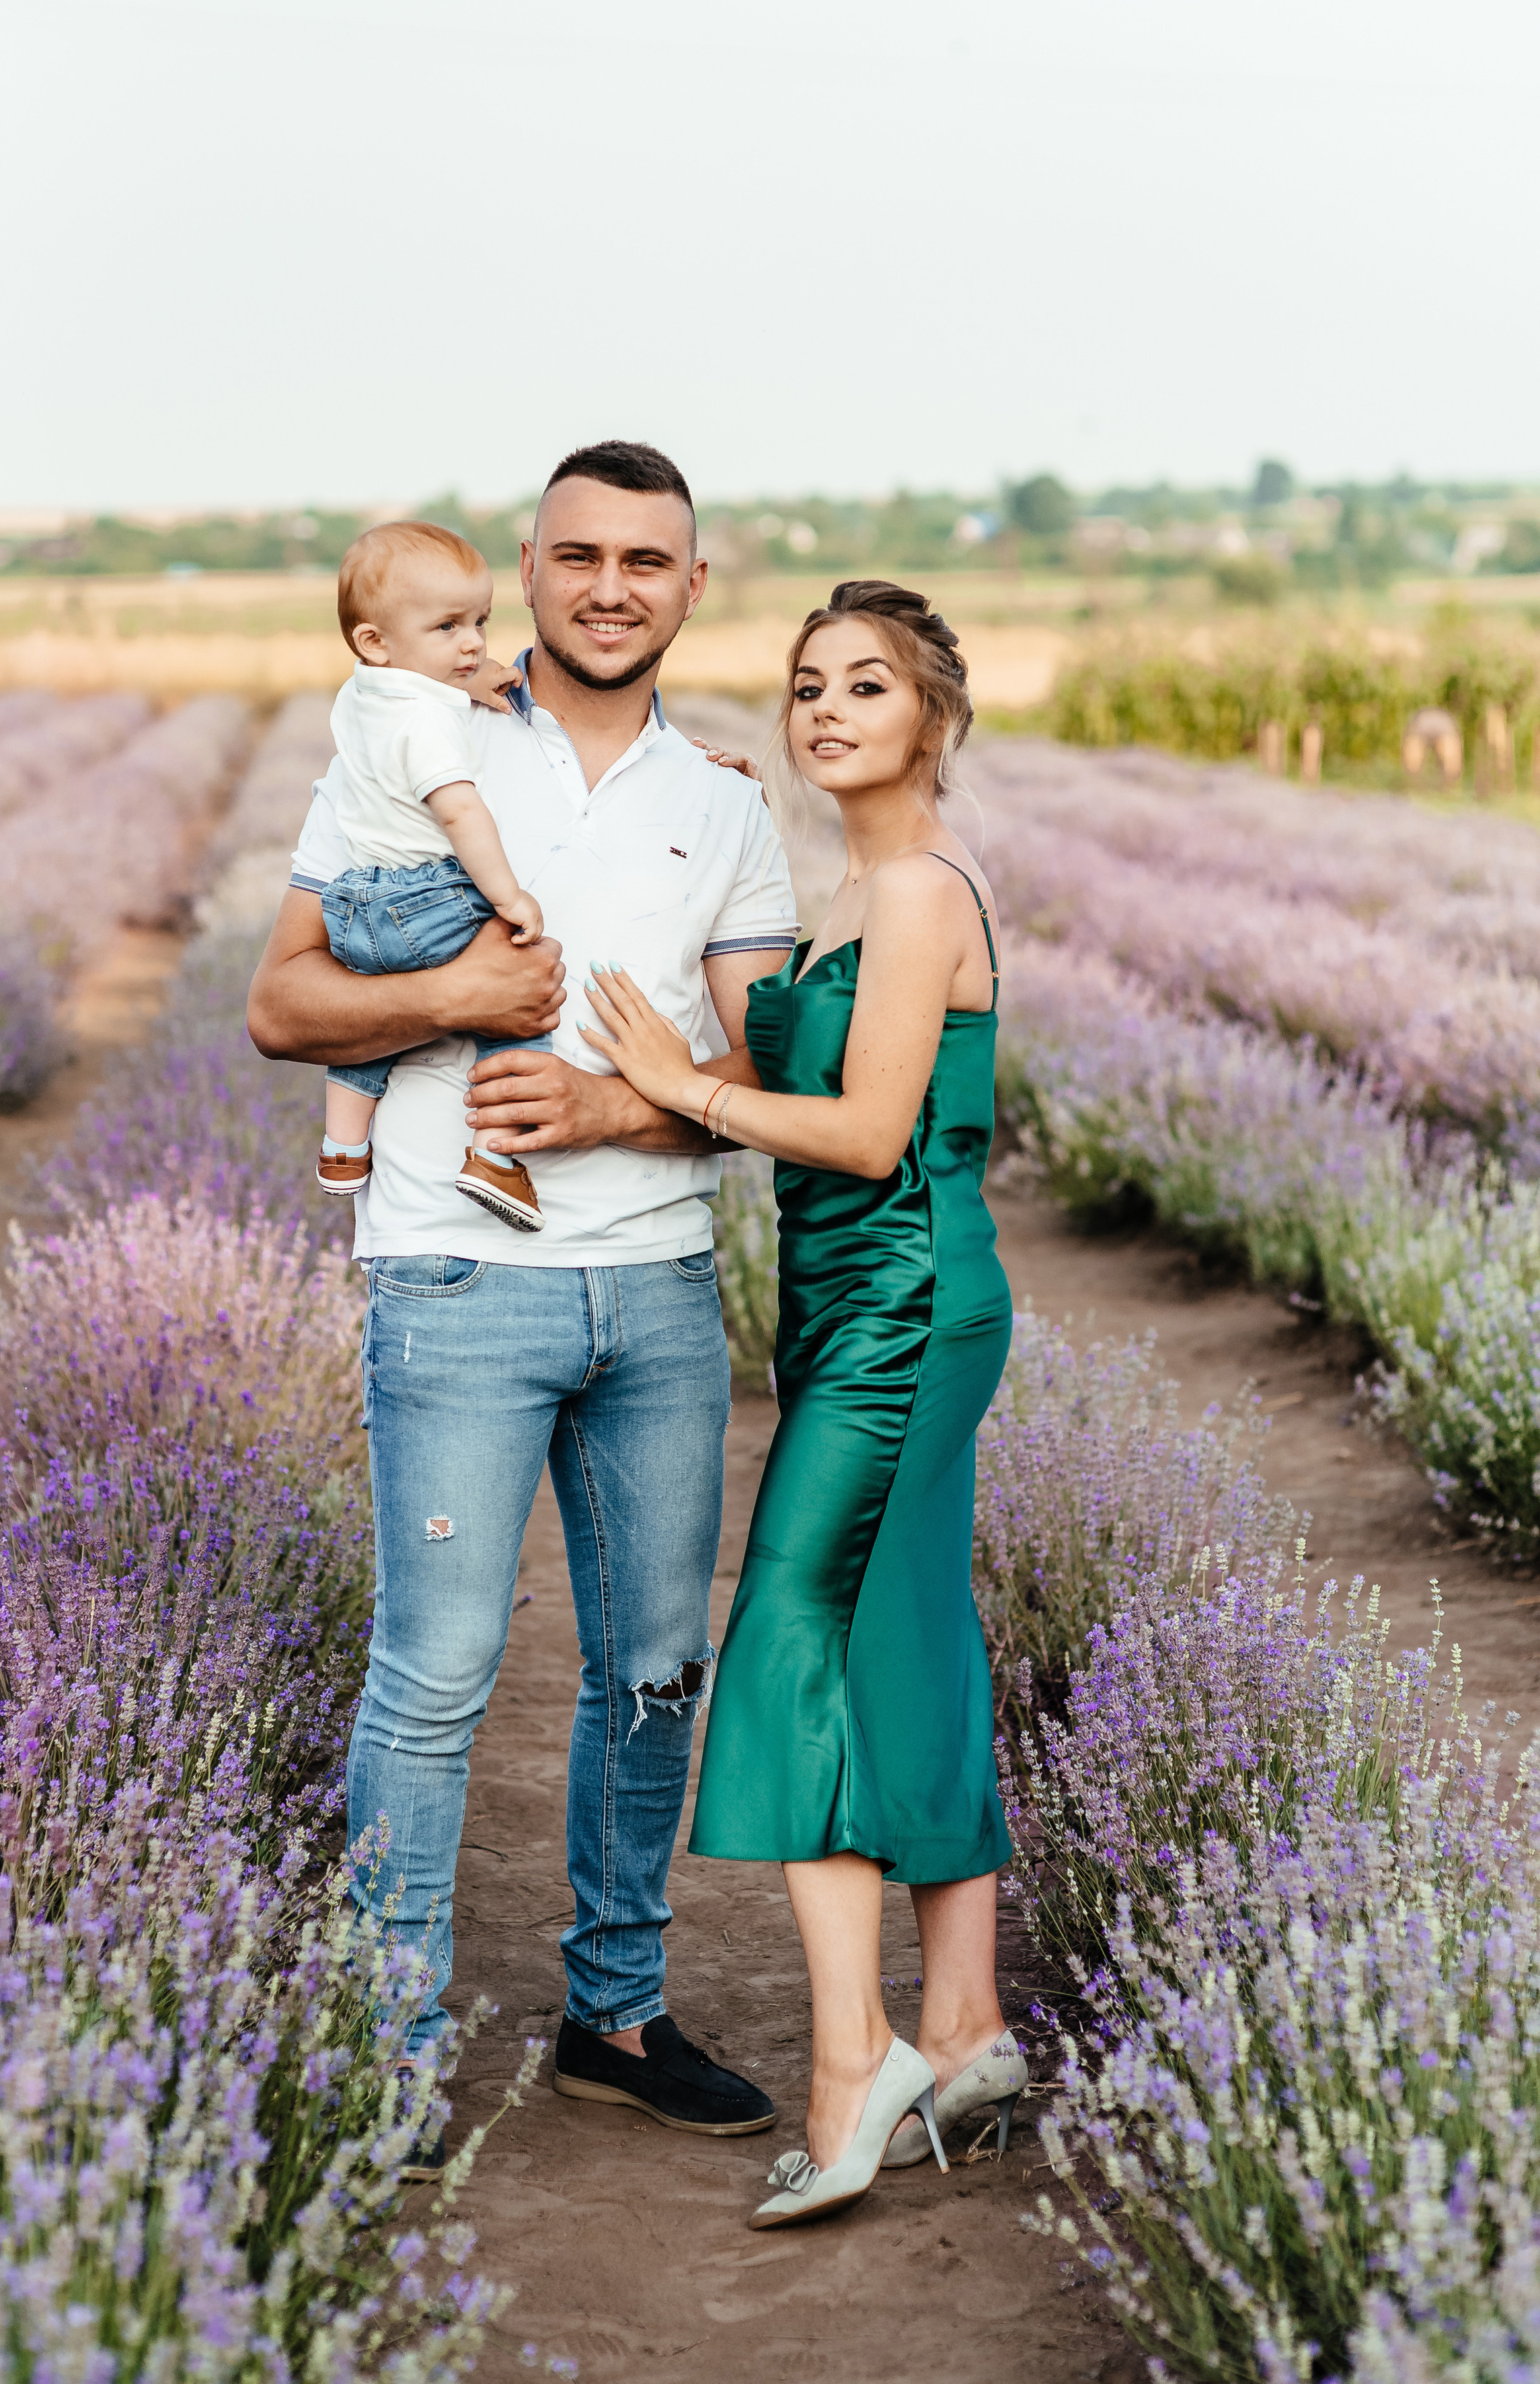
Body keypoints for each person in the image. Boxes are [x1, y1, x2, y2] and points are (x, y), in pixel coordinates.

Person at [247, 440, 798, 2164]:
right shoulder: (418, 732)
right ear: (530, 567)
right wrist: (458, 988)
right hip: (455, 1273)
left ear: (690, 586)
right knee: (435, 1671)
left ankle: (613, 2009)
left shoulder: (723, 801)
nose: (611, 585)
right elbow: (280, 999)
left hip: (650, 1289)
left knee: (651, 1664)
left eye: (648, 559)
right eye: (578, 555)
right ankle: (391, 2041)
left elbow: (758, 1054)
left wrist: (622, 1109)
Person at [578, 578, 1027, 2231]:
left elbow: (855, 1130)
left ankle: (858, 2067)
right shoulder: (845, 892)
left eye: (864, 685)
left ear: (932, 715)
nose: (826, 708)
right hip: (857, 1306)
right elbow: (789, 1082)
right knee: (906, 1634)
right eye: (804, 685)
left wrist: (673, 1085)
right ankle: (965, 2021)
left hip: (902, 1305)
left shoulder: (912, 895)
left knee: (782, 1628)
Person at [312, 517, 553, 1231]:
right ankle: (495, 1156)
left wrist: (467, 676)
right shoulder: (429, 726)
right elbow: (461, 814)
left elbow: (418, 678)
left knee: (377, 1029)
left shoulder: (366, 692)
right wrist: (508, 897)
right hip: (422, 898)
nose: (475, 642)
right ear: (375, 641)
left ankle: (343, 1148)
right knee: (518, 993)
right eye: (448, 628)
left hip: (353, 908)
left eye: (480, 620)